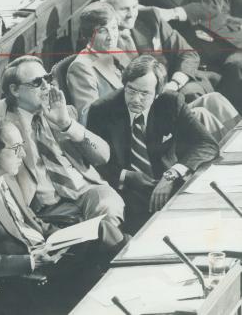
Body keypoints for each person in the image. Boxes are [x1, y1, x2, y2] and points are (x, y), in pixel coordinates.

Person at [0, 55, 125, 228]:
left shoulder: (60, 109)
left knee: (109, 207)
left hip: (86, 190)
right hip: (45, 206)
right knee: (103, 236)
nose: (46, 86)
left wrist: (66, 124)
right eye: (36, 82)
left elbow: (103, 156)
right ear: (15, 90)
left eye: (48, 78)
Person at [0, 118, 127, 277]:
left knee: (101, 229)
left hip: (46, 250)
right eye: (16, 148)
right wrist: (33, 261)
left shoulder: (6, 176)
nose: (23, 154)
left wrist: (68, 236)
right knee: (108, 246)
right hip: (28, 271)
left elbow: (31, 220)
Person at [87, 55, 219, 233]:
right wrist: (127, 176)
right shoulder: (101, 111)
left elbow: (207, 144)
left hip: (169, 186)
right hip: (128, 194)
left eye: (144, 94)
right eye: (131, 90)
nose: (136, 99)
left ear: (157, 93)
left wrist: (172, 174)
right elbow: (94, 164)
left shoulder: (171, 102)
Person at [100, 0, 241, 140]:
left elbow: (188, 53)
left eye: (134, 7)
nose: (132, 14)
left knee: (216, 101)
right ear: (108, 11)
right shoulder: (104, 42)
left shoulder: (149, 19)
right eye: (124, 9)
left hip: (175, 83)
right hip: (148, 105)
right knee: (197, 108)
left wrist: (174, 83)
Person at [130, 0, 242, 113]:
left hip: (230, 39)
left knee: (237, 65)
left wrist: (172, 13)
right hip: (195, 52)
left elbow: (211, 4)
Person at [67, 1, 131, 125]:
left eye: (113, 28)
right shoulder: (80, 67)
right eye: (102, 31)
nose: (111, 36)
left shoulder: (117, 52)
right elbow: (90, 118)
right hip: (116, 129)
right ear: (89, 35)